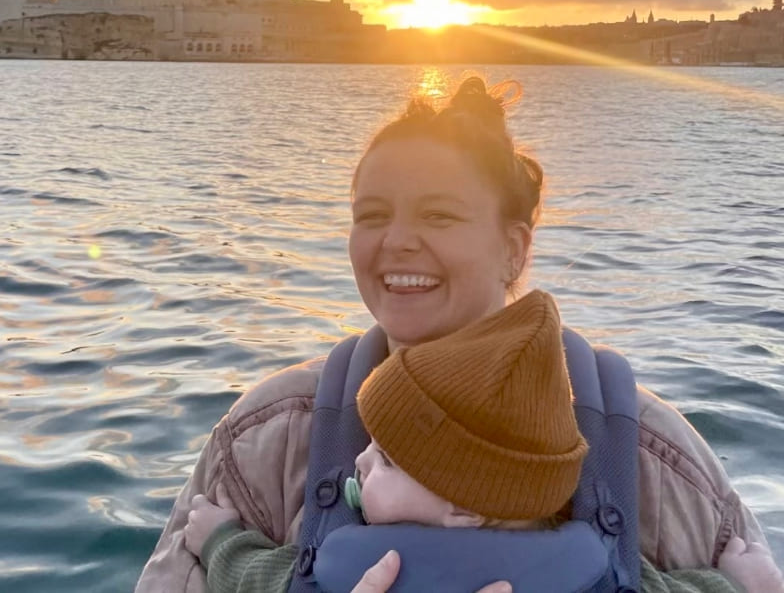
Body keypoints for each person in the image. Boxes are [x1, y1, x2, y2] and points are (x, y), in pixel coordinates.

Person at [135, 76, 772, 592]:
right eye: (372, 215)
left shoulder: (657, 461)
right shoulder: (263, 442)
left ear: (514, 250)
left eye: (439, 214)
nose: (397, 240)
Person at [179, 291, 782, 592]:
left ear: (465, 507)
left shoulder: (359, 564)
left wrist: (216, 538)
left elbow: (264, 574)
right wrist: (745, 583)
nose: (357, 459)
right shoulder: (594, 571)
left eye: (387, 459)